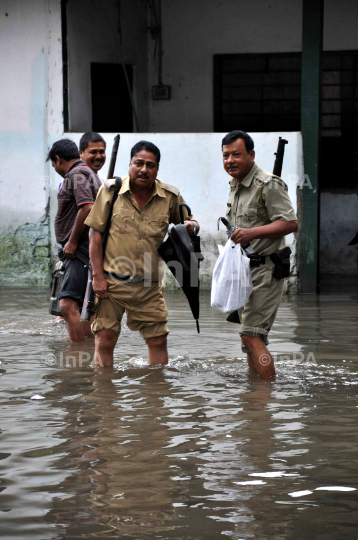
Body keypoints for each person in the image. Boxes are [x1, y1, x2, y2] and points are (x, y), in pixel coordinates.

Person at [85, 140, 200, 367]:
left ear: (157, 169)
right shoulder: (111, 191)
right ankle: (104, 398)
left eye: (150, 165)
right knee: (105, 340)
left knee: (158, 340)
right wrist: (97, 277)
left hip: (149, 286)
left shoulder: (170, 196)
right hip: (111, 284)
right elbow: (95, 235)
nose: (144, 169)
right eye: (139, 163)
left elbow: (192, 222)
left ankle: (154, 394)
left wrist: (191, 227)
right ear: (130, 164)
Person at [221, 130, 298, 379]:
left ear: (251, 155)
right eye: (225, 156)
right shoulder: (235, 184)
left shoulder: (269, 183)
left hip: (266, 270)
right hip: (243, 271)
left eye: (236, 154)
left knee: (251, 335)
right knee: (249, 339)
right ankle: (255, 396)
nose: (230, 160)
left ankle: (265, 397)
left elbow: (289, 223)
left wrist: (252, 233)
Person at [47, 138, 102, 341]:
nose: (55, 168)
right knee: (85, 304)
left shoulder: (77, 174)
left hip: (80, 249)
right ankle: (90, 354)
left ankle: (78, 355)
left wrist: (72, 240)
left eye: (53, 164)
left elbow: (87, 207)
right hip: (86, 248)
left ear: (58, 159)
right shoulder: (89, 174)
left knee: (67, 304)